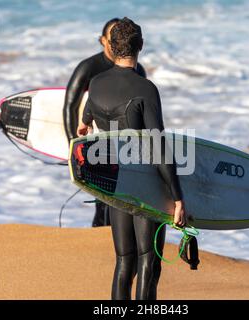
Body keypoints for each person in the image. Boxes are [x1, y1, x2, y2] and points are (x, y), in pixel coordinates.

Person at [77, 17, 186, 300]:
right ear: (141, 46)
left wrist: (86, 127)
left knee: (124, 261)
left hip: (115, 182)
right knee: (149, 259)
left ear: (111, 47)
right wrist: (178, 197)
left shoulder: (97, 83)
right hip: (146, 183)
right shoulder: (145, 88)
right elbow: (158, 145)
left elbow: (85, 121)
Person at [63, 18, 146, 227]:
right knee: (103, 200)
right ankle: (101, 240)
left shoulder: (138, 70)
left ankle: (112, 241)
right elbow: (69, 107)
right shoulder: (89, 68)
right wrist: (73, 146)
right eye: (111, 38)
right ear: (103, 40)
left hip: (125, 146)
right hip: (96, 143)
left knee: (120, 199)